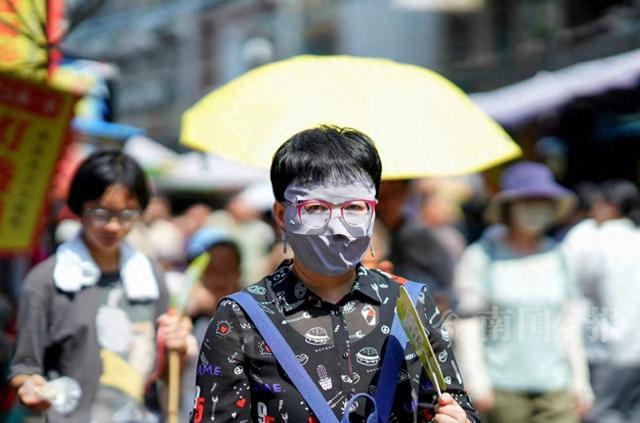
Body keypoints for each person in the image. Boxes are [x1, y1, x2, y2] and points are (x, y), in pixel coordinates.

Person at [191, 126, 478, 422]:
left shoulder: (410, 303)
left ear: (373, 211)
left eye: (354, 207)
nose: (337, 227)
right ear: (281, 215)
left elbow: (453, 402)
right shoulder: (240, 319)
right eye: (315, 208)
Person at [10, 150, 192, 422]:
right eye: (101, 212)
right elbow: (23, 369)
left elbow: (164, 371)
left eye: (127, 214)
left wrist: (179, 347)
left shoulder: (149, 276)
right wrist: (31, 389)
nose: (113, 226)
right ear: (78, 208)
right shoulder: (45, 281)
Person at [453, 161, 593, 423]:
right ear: (508, 207)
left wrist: (580, 379)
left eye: (542, 201)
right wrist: (476, 377)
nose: (534, 209)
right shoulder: (482, 256)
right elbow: (470, 322)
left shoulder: (559, 255)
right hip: (503, 390)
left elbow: (568, 320)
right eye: (526, 201)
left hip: (556, 389)